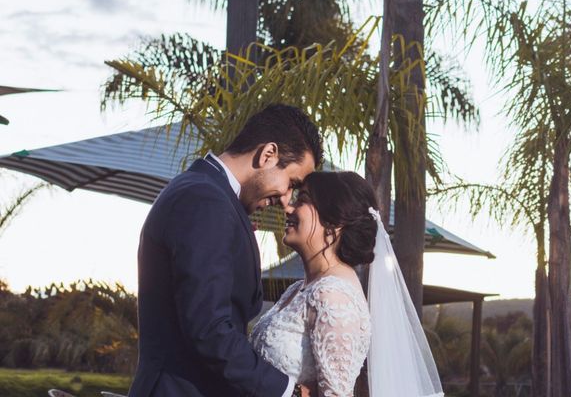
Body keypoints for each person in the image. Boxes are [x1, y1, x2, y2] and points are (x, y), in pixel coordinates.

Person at [129, 104, 322, 397]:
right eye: (291, 183)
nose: (286, 200)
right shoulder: (206, 200)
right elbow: (208, 328)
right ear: (268, 154)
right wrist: (287, 392)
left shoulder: (209, 195)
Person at [250, 172, 444, 397]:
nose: (289, 209)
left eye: (302, 200)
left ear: (334, 223)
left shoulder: (334, 297)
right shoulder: (299, 289)